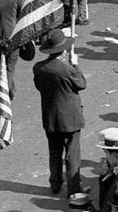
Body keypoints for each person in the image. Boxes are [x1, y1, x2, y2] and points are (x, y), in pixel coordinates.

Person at [32, 27, 87, 196]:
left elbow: (39, 87)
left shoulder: (39, 67)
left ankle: (55, 184)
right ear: (62, 51)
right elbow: (82, 84)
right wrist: (75, 64)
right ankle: (74, 189)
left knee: (54, 153)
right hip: (70, 118)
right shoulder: (66, 69)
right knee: (72, 155)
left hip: (50, 116)